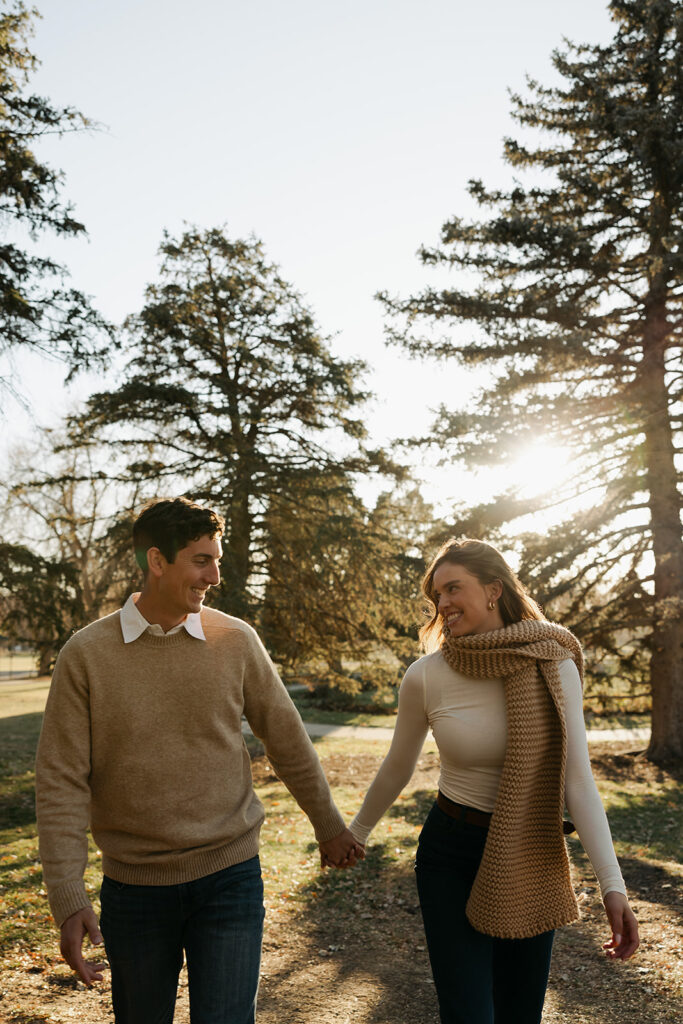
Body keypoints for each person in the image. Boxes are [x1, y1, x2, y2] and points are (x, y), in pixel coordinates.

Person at [35, 496, 362, 1024]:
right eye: (201, 560)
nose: (214, 574)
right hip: (135, 889)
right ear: (157, 562)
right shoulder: (86, 654)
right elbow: (61, 780)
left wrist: (329, 825)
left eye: (217, 559)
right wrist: (68, 895)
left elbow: (287, 738)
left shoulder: (235, 639)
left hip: (230, 875)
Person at [348, 538, 639, 1024]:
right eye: (436, 594)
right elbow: (398, 766)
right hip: (450, 855)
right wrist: (355, 832)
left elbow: (578, 781)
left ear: (493, 590)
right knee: (466, 1013)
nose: (442, 604)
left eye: (453, 588)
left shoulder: (552, 660)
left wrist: (614, 887)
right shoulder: (427, 675)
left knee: (519, 1012)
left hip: (529, 851)